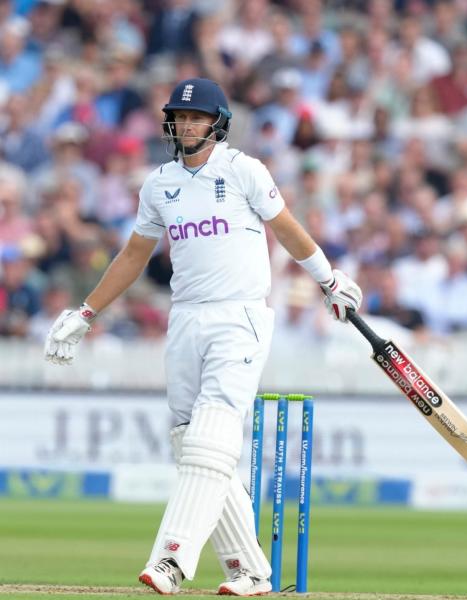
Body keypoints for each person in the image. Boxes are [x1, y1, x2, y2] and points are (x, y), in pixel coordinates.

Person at [42, 78, 362, 596]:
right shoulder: (159, 184)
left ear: (218, 122)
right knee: (191, 444)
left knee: (213, 435)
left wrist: (329, 278)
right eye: (179, 116)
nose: (186, 124)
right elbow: (132, 256)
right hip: (185, 318)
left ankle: (171, 559)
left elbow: (286, 227)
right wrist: (87, 311)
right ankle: (251, 571)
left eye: (196, 117)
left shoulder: (243, 171)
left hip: (241, 318)